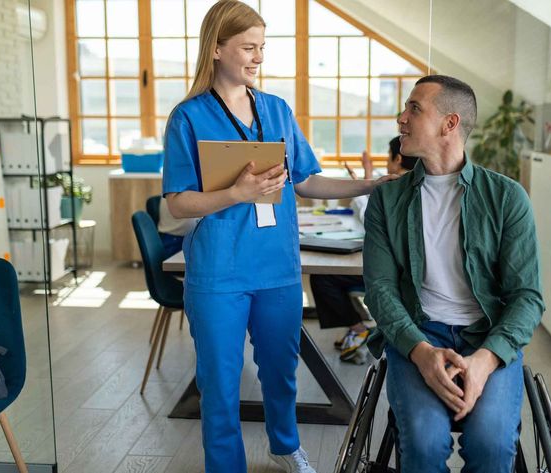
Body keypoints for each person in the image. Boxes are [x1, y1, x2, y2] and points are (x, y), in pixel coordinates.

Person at [161, 2, 395, 472]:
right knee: (222, 383)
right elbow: (178, 202)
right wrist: (236, 193)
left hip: (277, 268)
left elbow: (306, 181)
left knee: (281, 373)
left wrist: (370, 185)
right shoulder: (188, 118)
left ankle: (285, 448)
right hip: (218, 271)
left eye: (262, 47)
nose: (258, 57)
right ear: (217, 48)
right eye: (248, 47)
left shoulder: (276, 109)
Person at [363, 75, 544, 472]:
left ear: (450, 124)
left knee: (492, 446)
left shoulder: (506, 197)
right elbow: (378, 289)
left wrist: (485, 360)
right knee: (426, 446)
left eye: (414, 108)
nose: (401, 118)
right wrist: (420, 352)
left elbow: (527, 297)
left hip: (488, 337)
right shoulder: (387, 200)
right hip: (418, 335)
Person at [310, 136, 418, 364]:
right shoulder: (417, 184)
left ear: (397, 159)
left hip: (388, 275)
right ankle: (357, 325)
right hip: (399, 271)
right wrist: (365, 177)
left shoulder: (396, 187)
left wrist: (362, 179)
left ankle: (358, 327)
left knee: (323, 277)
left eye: (388, 158)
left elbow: (369, 215)